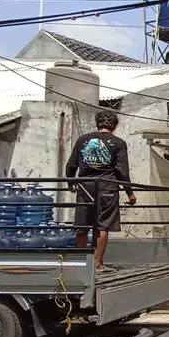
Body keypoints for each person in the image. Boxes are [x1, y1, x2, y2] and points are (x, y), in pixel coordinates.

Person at [65, 111, 136, 273]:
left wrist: (71, 181)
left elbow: (71, 165)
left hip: (85, 187)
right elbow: (122, 171)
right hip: (107, 187)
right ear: (114, 126)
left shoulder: (83, 140)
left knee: (82, 225)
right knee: (103, 225)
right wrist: (129, 193)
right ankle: (97, 265)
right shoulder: (119, 143)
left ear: (97, 124)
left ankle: (81, 264)